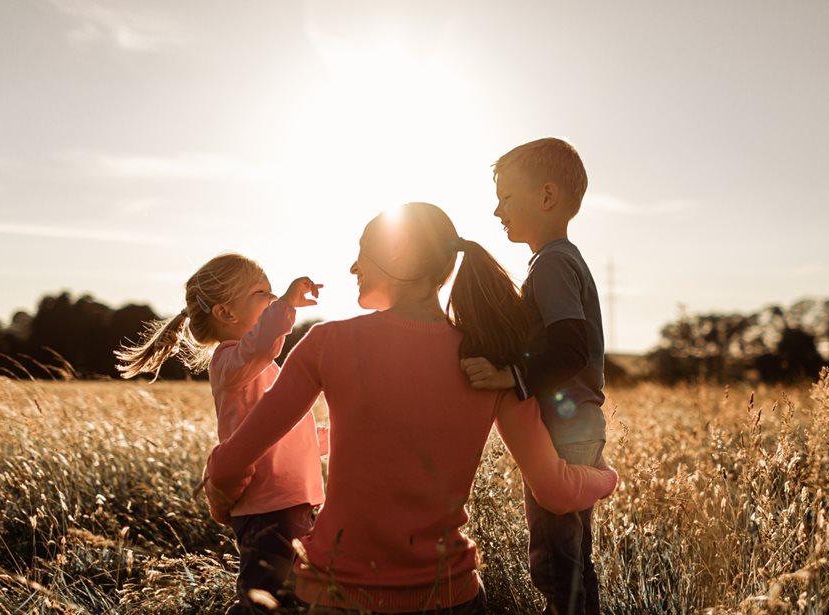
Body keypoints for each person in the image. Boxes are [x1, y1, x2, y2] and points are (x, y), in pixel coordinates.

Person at [204, 202, 618, 614]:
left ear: (398, 251)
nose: (352, 267)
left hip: (336, 596)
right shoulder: (491, 365)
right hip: (451, 596)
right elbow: (556, 490)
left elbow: (229, 464)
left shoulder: (326, 344)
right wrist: (606, 477)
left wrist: (222, 501)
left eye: (362, 250)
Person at [115, 253, 327, 614]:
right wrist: (289, 304)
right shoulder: (231, 364)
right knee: (265, 602)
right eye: (263, 292)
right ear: (226, 313)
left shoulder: (258, 367)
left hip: (292, 502)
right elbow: (260, 345)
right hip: (268, 508)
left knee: (295, 598)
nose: (274, 298)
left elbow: (290, 433)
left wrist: (342, 434)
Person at [461, 137, 608, 615]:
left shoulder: (551, 265)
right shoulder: (561, 260)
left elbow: (571, 348)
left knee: (555, 561)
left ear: (546, 197)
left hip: (563, 432)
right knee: (574, 558)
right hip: (577, 427)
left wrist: (510, 377)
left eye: (506, 197)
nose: (497, 209)